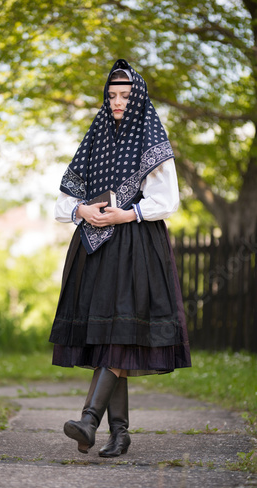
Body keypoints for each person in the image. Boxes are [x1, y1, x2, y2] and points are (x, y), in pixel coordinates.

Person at [49, 59, 191, 458]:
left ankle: (89, 420)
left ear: (138, 98)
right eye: (111, 95)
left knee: (119, 332)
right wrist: (82, 211)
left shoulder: (150, 136)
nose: (116, 102)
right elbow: (64, 201)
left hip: (136, 246)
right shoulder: (95, 136)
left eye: (125, 96)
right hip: (94, 247)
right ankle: (120, 433)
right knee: (109, 334)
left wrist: (125, 213)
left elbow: (167, 201)